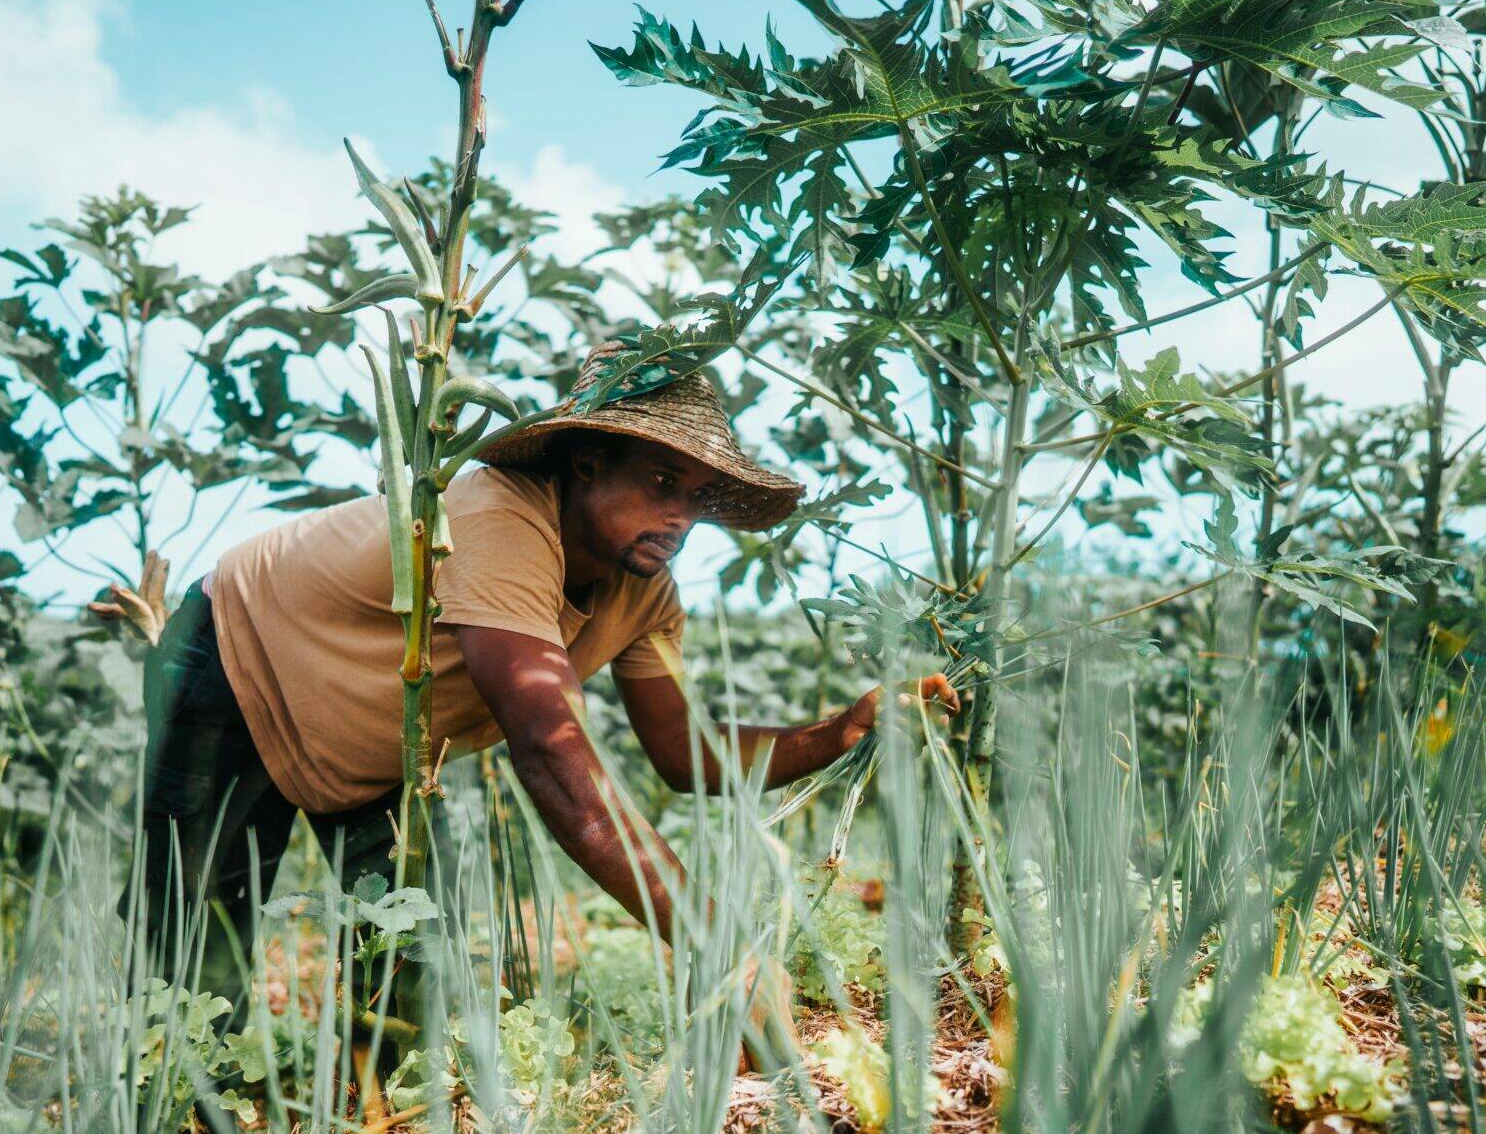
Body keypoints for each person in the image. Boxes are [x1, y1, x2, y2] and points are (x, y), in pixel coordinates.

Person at [95, 339, 958, 969]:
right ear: (585, 462)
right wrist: (718, 945)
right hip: (240, 657)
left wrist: (844, 727)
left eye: (696, 499)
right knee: (190, 953)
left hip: (373, 745)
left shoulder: (642, 590)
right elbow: (552, 755)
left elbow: (683, 755)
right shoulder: (504, 517)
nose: (680, 519)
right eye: (661, 485)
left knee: (402, 969)